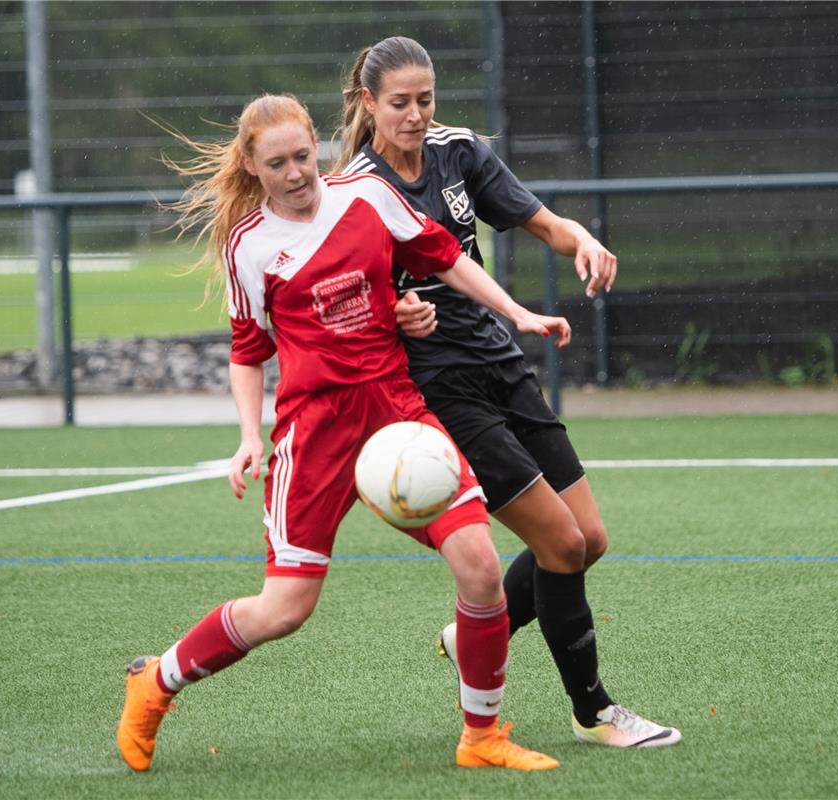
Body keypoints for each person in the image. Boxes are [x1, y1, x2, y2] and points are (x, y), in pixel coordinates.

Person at [115, 93, 572, 772]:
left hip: (396, 414)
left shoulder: (366, 196)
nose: (297, 173)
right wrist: (248, 435)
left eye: (304, 156)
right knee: (284, 609)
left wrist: (513, 311)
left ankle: (482, 737)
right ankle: (155, 682)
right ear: (251, 164)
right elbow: (247, 350)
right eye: (278, 163)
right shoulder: (248, 247)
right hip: (315, 434)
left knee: (478, 566)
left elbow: (444, 256)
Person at [335, 37, 681, 748]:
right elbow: (347, 302)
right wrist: (394, 312)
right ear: (368, 102)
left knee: (589, 540)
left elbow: (541, 222)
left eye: (425, 100)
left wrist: (579, 238)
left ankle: (477, 630)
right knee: (558, 543)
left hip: (501, 362)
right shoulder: (353, 192)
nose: (414, 116)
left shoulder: (456, 152)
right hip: (437, 385)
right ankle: (594, 714)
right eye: (399, 103)